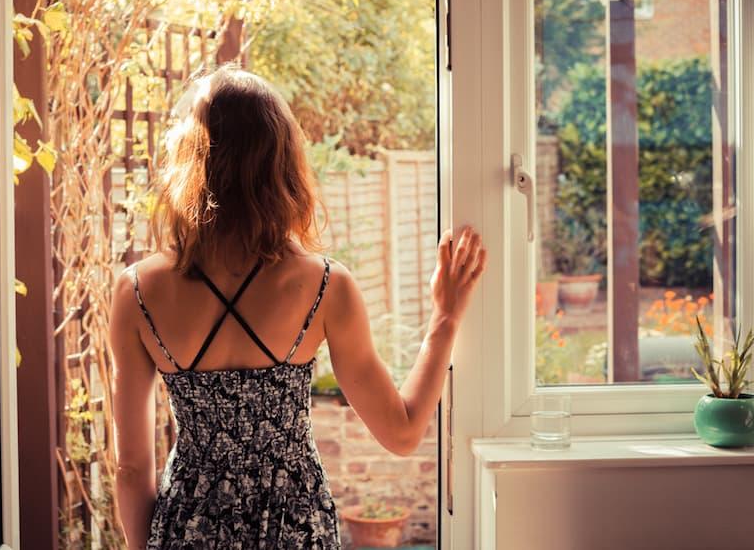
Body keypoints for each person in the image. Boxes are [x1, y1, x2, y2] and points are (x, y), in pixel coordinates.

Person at [109, 65, 487, 549]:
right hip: (294, 528)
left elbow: (130, 469)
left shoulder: (137, 292)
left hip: (190, 531)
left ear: (191, 159)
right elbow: (403, 432)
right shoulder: (325, 286)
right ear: (283, 162)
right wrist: (446, 317)